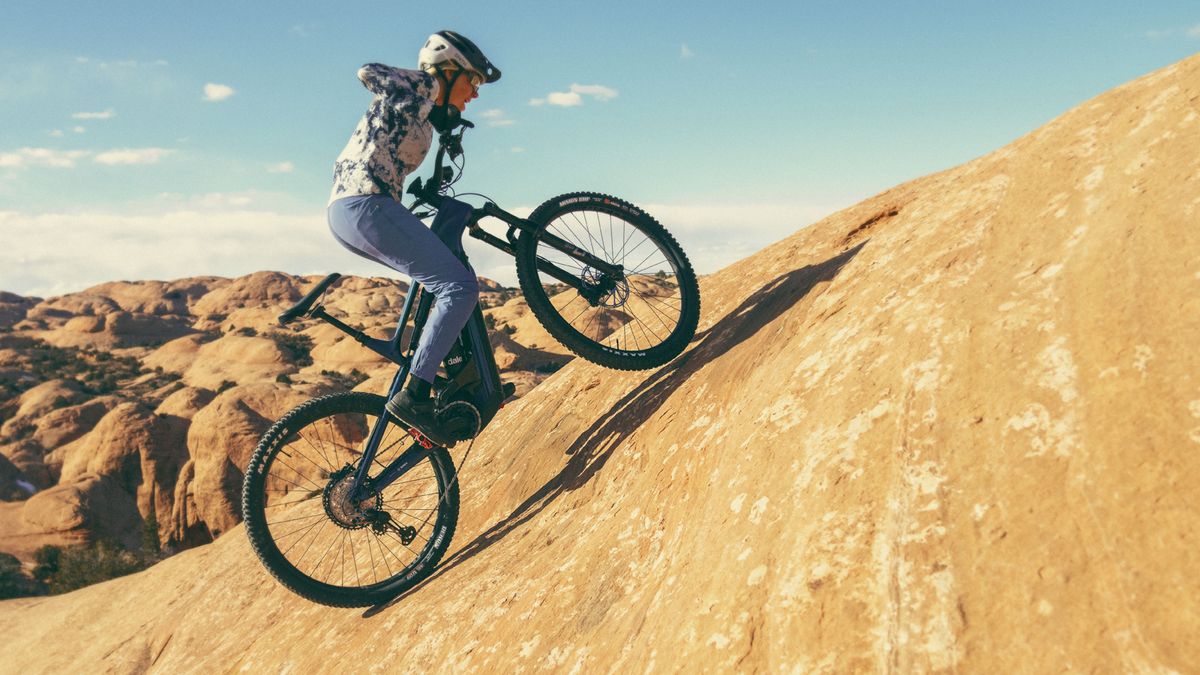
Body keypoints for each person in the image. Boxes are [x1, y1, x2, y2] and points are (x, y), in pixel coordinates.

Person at [326, 30, 500, 440]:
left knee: (440, 279)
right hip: (365, 205)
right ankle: (416, 392)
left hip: (358, 209)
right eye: (471, 81)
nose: (474, 94)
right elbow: (368, 72)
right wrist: (429, 82)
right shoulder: (420, 88)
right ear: (449, 71)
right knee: (458, 286)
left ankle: (441, 373)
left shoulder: (420, 113)